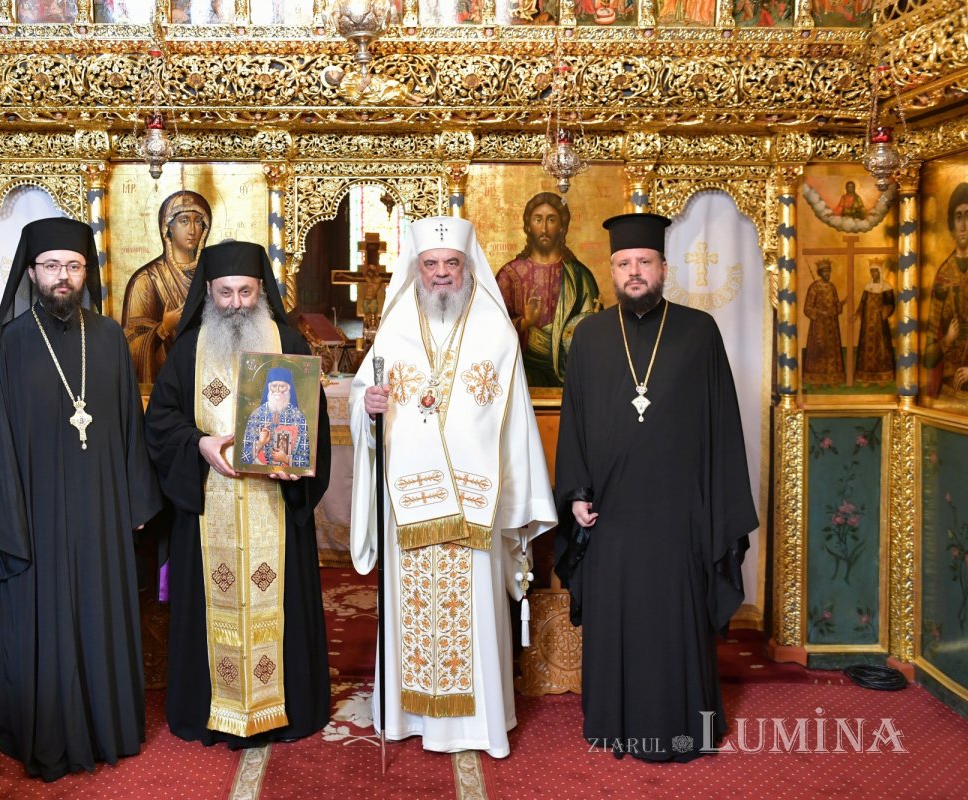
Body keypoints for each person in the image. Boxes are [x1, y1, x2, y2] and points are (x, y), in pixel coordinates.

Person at [0, 217, 162, 781]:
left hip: (100, 512)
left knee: (102, 611)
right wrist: (9, 515)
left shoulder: (111, 338)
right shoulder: (11, 345)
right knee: (45, 620)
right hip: (36, 514)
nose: (63, 277)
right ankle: (46, 735)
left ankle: (108, 729)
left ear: (85, 273)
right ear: (31, 272)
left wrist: (133, 503)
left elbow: (127, 426)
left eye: (73, 266)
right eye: (51, 267)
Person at [552, 212, 755, 762]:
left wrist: (714, 509)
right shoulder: (590, 337)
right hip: (613, 513)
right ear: (612, 270)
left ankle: (683, 728)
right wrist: (574, 493)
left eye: (644, 262)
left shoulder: (698, 331)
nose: (634, 272)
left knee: (674, 619)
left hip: (681, 515)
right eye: (624, 263)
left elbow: (723, 428)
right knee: (618, 617)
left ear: (664, 268)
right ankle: (614, 726)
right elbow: (574, 422)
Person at [350, 215, 556, 758]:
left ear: (467, 267)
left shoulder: (495, 331)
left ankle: (477, 724)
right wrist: (366, 407)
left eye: (451, 264)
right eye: (431, 264)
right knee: (410, 611)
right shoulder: (394, 327)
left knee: (477, 615)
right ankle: (407, 718)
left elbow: (514, 423)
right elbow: (361, 395)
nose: (442, 273)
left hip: (474, 502)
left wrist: (518, 501)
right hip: (411, 501)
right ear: (417, 269)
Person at [144, 240, 332, 749]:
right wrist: (199, 444)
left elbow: (313, 426)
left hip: (277, 512)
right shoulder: (187, 351)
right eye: (224, 292)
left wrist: (298, 466)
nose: (234, 303)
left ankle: (284, 709)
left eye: (245, 292)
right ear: (208, 292)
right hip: (210, 511)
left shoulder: (289, 344)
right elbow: (160, 424)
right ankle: (214, 711)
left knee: (282, 605)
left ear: (261, 292)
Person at [495, 192, 600, 387]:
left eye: (551, 220)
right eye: (538, 220)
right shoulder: (509, 275)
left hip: (571, 376)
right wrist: (525, 323)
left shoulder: (579, 276)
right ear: (527, 226)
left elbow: (594, 329)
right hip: (521, 375)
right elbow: (492, 332)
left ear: (562, 227)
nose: (544, 228)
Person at [121, 190, 212, 385]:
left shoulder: (213, 276)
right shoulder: (147, 279)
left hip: (209, 381)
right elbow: (131, 344)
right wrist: (163, 328)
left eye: (198, 221)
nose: (192, 230)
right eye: (184, 221)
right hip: (165, 384)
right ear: (168, 228)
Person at [924, 182, 968, 396]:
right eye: (958, 217)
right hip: (949, 385)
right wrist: (947, 339)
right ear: (952, 226)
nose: (963, 225)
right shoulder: (943, 276)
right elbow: (928, 357)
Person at [241, 367, 310, 468]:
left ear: (288, 388)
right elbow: (243, 459)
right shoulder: (256, 415)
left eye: (282, 386)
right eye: (274, 386)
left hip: (288, 478)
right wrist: (260, 443)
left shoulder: (298, 417)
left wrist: (286, 459)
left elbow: (305, 462)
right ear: (269, 388)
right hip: (260, 476)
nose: (277, 390)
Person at [802, 258, 846, 386]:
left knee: (831, 350)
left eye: (829, 272)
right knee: (819, 349)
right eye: (825, 272)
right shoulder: (814, 287)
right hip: (819, 326)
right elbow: (808, 308)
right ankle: (816, 379)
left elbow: (836, 305)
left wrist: (839, 306)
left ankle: (833, 379)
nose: (827, 274)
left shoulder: (832, 287)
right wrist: (821, 313)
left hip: (832, 325)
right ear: (820, 273)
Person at [853, 263, 895, 384]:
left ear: (880, 272)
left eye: (875, 271)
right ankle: (866, 377)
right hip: (867, 323)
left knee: (881, 348)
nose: (873, 274)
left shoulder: (886, 287)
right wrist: (857, 313)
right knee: (866, 348)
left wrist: (884, 311)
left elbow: (891, 304)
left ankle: (881, 377)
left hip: (880, 324)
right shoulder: (868, 287)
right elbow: (862, 302)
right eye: (871, 271)